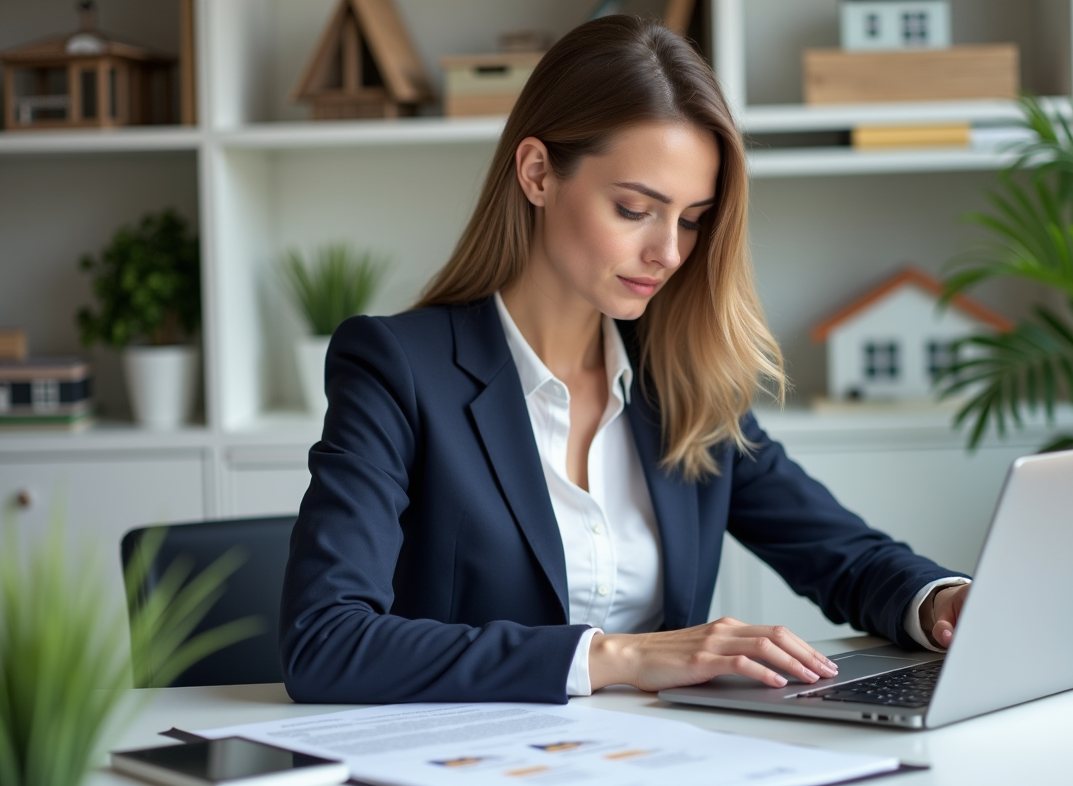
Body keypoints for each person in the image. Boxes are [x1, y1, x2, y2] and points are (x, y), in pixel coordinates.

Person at [279, 15, 971, 705]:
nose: (669, 252)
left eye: (693, 218)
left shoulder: (680, 380)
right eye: (636, 208)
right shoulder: (398, 367)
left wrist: (941, 600)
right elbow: (325, 640)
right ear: (538, 173)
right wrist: (618, 657)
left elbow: (846, 557)